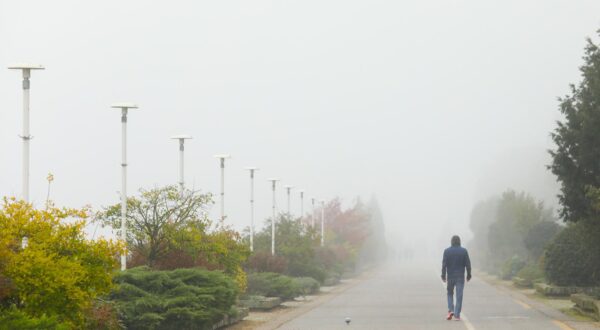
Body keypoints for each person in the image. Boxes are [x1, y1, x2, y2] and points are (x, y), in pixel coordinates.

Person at [441, 235, 471, 321]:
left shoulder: (446, 251)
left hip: (450, 277)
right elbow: (468, 264)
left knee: (450, 293)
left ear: (451, 242)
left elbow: (444, 265)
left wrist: (443, 276)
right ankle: (457, 314)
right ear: (459, 241)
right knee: (459, 296)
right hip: (460, 277)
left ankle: (450, 310)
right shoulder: (464, 251)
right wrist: (469, 275)